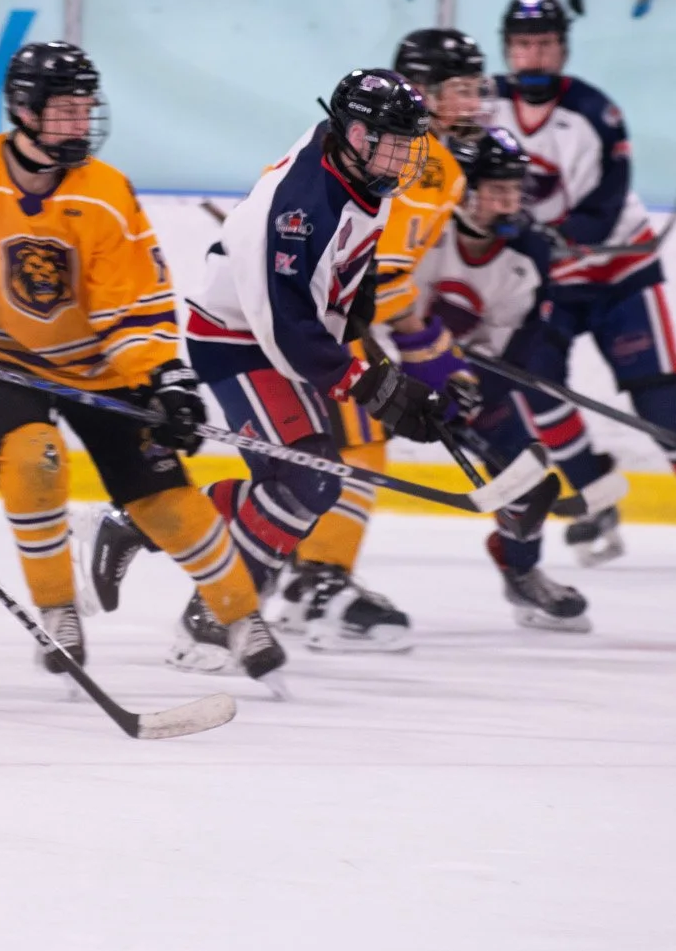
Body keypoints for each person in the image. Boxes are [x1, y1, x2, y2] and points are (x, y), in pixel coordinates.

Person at [0, 42, 285, 688]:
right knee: (34, 463)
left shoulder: (107, 192)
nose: (80, 122)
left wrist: (163, 376)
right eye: (65, 109)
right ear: (23, 110)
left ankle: (241, 617)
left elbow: (135, 303)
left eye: (86, 108)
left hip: (96, 365)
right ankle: (58, 612)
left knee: (166, 501)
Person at [94, 69, 459, 672]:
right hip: (238, 341)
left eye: (408, 141)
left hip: (280, 334)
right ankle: (208, 614)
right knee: (307, 477)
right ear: (358, 135)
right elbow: (286, 331)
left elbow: (339, 262)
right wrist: (373, 386)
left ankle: (148, 533)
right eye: (396, 142)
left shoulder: (355, 164)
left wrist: (357, 304)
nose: (406, 156)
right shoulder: (299, 207)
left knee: (308, 482)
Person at [490, 0, 676, 566]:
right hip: (548, 282)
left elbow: (602, 207)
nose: (533, 55)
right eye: (522, 44)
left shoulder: (596, 114)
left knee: (662, 404)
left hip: (618, 274)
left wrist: (544, 237)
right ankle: (596, 496)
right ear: (507, 49)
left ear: (563, 48)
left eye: (544, 43)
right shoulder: (485, 109)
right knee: (535, 385)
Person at [260, 28, 491, 654]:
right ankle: (319, 582)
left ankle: (300, 577)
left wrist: (435, 358)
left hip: (322, 318)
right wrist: (430, 354)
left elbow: (390, 282)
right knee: (357, 447)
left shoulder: (441, 170)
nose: (474, 104)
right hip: (301, 318)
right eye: (461, 90)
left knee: (334, 451)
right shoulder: (407, 162)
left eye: (476, 90)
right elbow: (372, 276)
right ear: (425, 91)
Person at [415, 126, 605, 629]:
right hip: (387, 371)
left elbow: (516, 350)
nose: (510, 202)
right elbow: (379, 308)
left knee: (528, 477)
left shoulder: (525, 258)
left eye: (515, 190)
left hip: (462, 381)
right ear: (464, 191)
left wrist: (472, 395)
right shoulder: (421, 231)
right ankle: (310, 574)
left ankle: (522, 573)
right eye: (497, 189)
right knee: (332, 463)